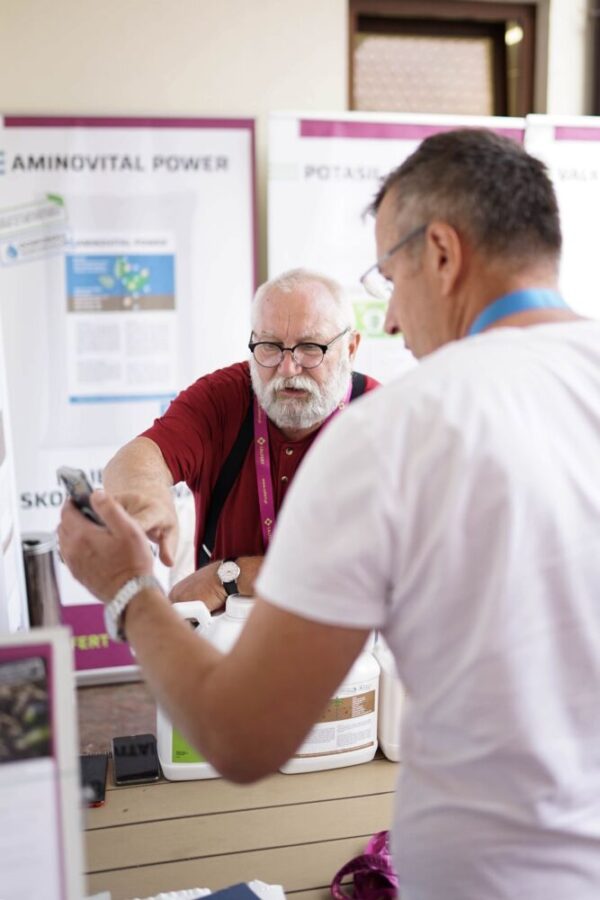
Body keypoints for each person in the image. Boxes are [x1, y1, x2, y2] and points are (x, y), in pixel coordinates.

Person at [59, 128, 600, 900]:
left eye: (389, 273)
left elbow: (241, 735)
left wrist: (127, 590)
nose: (392, 322)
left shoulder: (396, 426)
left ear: (441, 254)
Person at [102, 268, 378, 610]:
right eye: (270, 346)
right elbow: (139, 458)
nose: (288, 369)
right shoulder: (223, 398)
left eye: (310, 348)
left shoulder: (382, 418)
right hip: (226, 638)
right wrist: (147, 499)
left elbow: (375, 575)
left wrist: (230, 576)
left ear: (350, 348)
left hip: (341, 637)